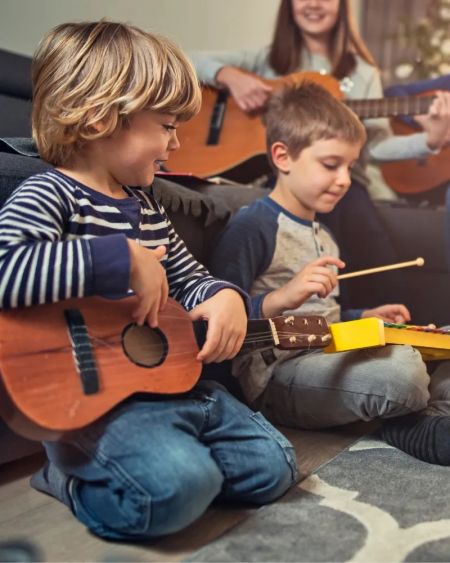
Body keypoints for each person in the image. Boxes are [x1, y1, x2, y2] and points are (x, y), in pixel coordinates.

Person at [0, 21, 297, 541]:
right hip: (98, 401)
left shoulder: (145, 202)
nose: (178, 141)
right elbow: (9, 269)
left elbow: (187, 277)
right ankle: (69, 477)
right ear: (97, 120)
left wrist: (223, 296)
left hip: (171, 385)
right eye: (165, 126)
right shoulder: (49, 195)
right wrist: (121, 258)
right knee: (175, 489)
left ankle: (171, 460)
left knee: (274, 465)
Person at [209, 82, 450, 466]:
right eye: (330, 165)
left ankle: (430, 412)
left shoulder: (325, 235)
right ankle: (409, 422)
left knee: (441, 341)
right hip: (279, 377)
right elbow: (219, 324)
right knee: (402, 373)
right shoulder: (252, 226)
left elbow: (326, 320)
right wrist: (281, 298)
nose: (344, 179)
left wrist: (364, 317)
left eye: (350, 167)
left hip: (329, 349)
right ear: (282, 156)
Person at [191, 0, 450, 309]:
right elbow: (187, 60)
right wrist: (229, 76)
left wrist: (430, 141)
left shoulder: (363, 72)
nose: (313, 3)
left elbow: (377, 144)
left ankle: (374, 319)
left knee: (350, 201)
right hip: (274, 175)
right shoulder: (267, 59)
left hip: (350, 186)